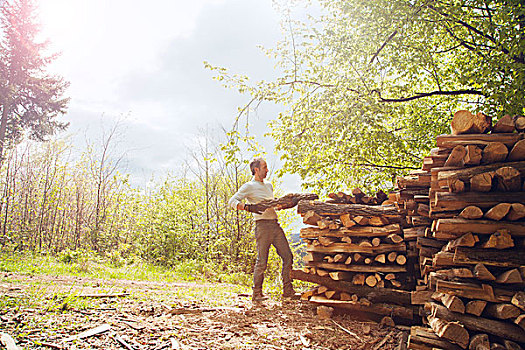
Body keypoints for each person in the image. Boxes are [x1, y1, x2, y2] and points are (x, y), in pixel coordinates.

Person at [228, 157, 296, 301]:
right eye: (264, 167)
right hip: (262, 226)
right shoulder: (249, 186)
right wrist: (248, 207)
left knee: (288, 256)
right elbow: (232, 201)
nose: (267, 170)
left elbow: (271, 205)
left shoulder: (269, 186)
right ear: (256, 169)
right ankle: (257, 293)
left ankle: (288, 290)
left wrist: (283, 205)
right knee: (262, 261)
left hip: (275, 225)